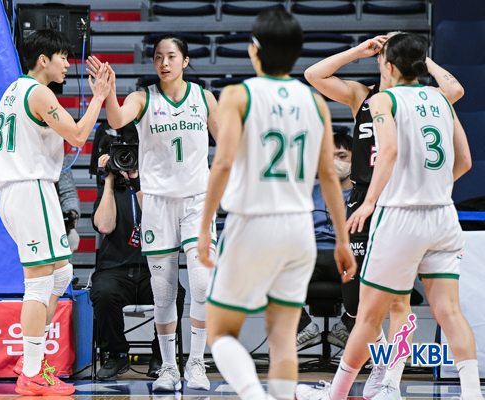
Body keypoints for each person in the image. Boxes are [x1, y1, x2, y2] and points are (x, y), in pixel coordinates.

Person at [296, 32, 482, 400]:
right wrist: (358, 50)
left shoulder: (392, 100)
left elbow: (392, 149)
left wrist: (377, 200)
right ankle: (463, 390)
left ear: (389, 64)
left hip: (392, 207)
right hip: (416, 207)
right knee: (361, 307)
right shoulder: (370, 96)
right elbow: (314, 74)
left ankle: (383, 382)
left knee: (386, 306)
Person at [197, 10, 356, 400]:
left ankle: (254, 395)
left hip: (253, 223)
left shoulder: (239, 95)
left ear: (254, 50)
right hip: (299, 230)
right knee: (283, 338)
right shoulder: (314, 102)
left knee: (220, 332)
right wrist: (341, 239)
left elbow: (223, 163)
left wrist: (203, 227)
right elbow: (329, 176)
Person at [87, 34, 219, 391]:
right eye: (158, 57)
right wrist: (108, 93)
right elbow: (117, 119)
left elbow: (226, 142)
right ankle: (169, 368)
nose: (164, 63)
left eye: (171, 56)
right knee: (163, 291)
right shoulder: (143, 98)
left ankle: (196, 363)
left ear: (185, 61)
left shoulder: (204, 98)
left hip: (197, 199)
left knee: (202, 284)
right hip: (158, 201)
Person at [0, 29, 111, 396]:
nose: (67, 64)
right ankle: (31, 372)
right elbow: (77, 135)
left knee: (61, 274)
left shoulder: (12, 91)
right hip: (30, 189)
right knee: (39, 281)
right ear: (43, 60)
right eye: (62, 57)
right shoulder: (39, 92)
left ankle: (31, 360)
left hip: (20, 189)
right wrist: (99, 97)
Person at [89, 125, 186, 380]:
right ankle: (116, 354)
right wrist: (108, 181)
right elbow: (104, 226)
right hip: (115, 269)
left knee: (174, 292)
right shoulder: (110, 189)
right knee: (103, 292)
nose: (128, 161)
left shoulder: (156, 189)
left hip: (152, 268)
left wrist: (137, 181)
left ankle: (161, 356)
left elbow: (156, 219)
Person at [296, 133, 354, 351]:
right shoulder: (308, 193)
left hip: (348, 257)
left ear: (354, 160)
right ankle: (305, 329)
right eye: (330, 157)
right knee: (268, 272)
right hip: (311, 256)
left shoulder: (363, 197)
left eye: (342, 156)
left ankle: (344, 329)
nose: (335, 162)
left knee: (379, 281)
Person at [57, 153, 81, 253]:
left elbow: (68, 192)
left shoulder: (56, 152)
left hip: (51, 218)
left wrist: (72, 213)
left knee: (72, 239)